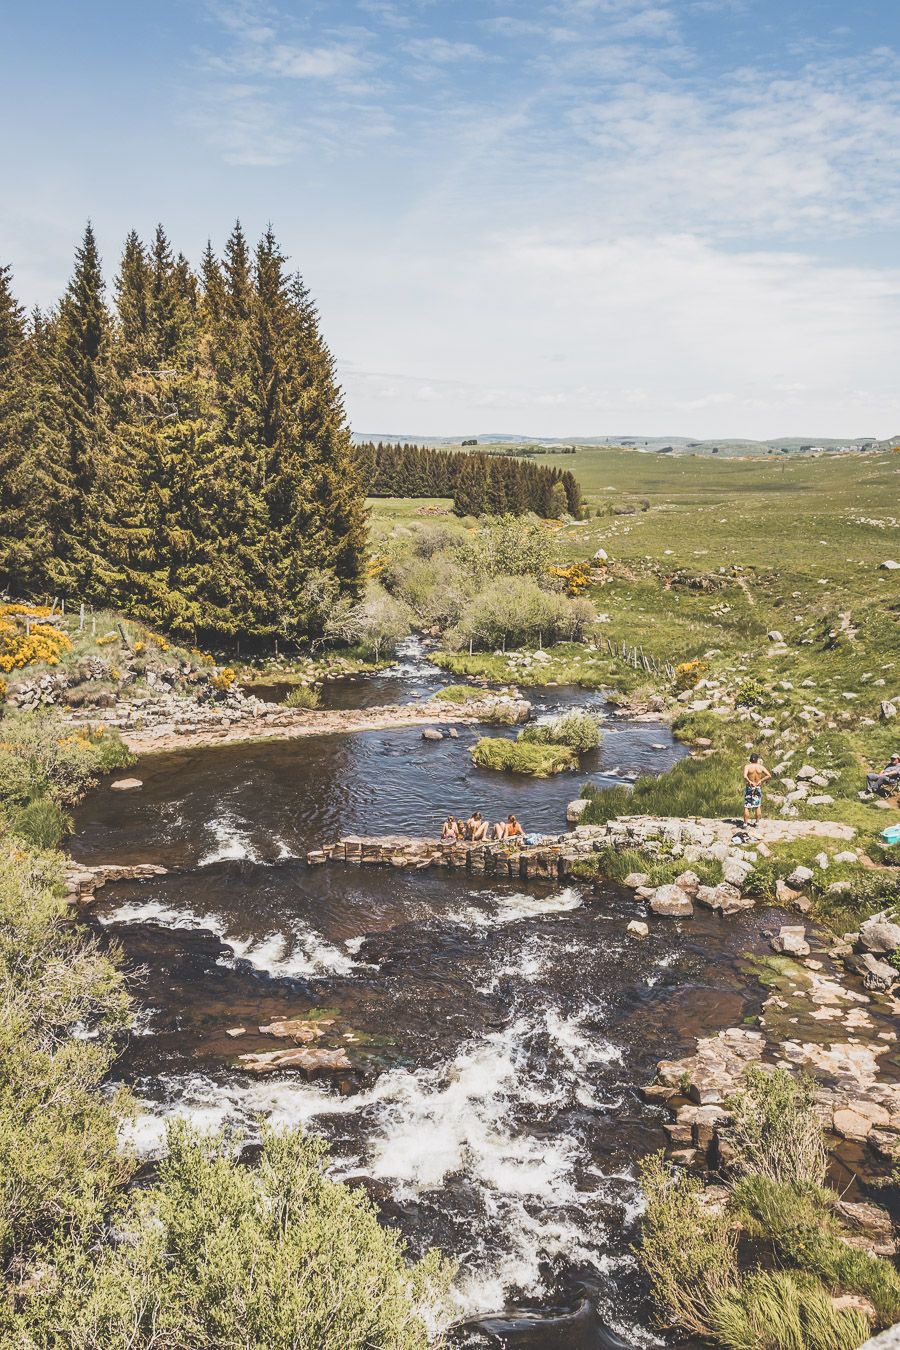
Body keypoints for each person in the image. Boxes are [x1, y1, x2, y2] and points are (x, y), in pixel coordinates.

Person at [742, 753, 771, 827]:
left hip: (750, 787)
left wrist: (750, 782)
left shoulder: (747, 766)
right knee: (757, 806)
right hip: (757, 787)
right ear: (757, 759)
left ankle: (745, 824)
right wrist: (761, 780)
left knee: (747, 806)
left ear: (750, 759)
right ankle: (757, 823)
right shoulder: (760, 767)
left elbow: (745, 776)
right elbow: (769, 775)